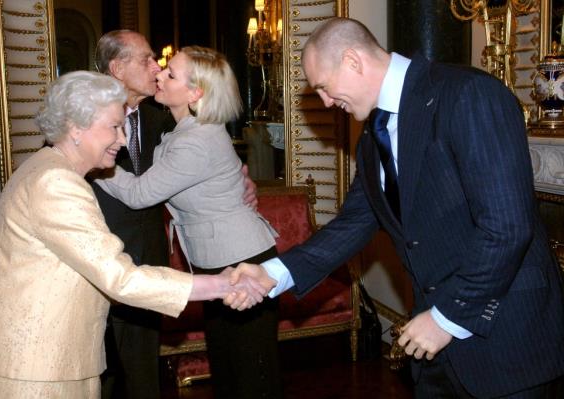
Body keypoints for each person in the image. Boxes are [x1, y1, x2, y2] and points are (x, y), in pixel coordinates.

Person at [232, 17, 564, 398]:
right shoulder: (373, 138)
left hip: (506, 337)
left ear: (353, 61)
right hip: (435, 345)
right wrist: (273, 274)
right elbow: (355, 223)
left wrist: (447, 318)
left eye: (323, 87)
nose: (324, 101)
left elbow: (508, 226)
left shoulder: (468, 94)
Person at [0, 71, 269, 399]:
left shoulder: (46, 167)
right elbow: (120, 278)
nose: (123, 140)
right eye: (114, 127)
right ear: (76, 127)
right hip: (33, 371)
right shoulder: (55, 183)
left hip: (39, 362)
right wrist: (222, 284)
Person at [96, 46, 283, 399]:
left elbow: (139, 194)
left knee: (252, 375)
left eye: (171, 74)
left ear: (196, 93)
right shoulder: (181, 128)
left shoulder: (198, 139)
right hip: (216, 264)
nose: (159, 75)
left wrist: (92, 161)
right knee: (229, 371)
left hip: (242, 261)